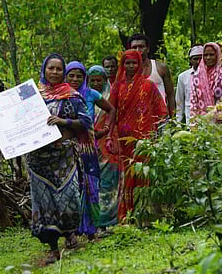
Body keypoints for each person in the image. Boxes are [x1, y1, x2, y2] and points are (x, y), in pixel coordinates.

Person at [27, 53, 91, 264]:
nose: (54, 72)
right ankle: (53, 248)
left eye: (58, 69)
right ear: (44, 70)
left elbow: (85, 122)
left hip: (64, 157)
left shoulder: (71, 96)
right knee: (44, 206)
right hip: (38, 160)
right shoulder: (32, 97)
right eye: (50, 69)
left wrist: (63, 121)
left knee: (69, 199)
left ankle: (70, 234)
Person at [108, 50, 168, 221]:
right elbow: (111, 111)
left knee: (143, 174)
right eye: (128, 63)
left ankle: (146, 214)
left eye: (134, 63)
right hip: (124, 138)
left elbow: (160, 110)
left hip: (144, 137)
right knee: (127, 174)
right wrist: (110, 134)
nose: (131, 66)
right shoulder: (117, 87)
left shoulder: (149, 86)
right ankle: (127, 214)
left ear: (140, 64)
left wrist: (156, 132)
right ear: (123, 65)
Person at [65, 61, 114, 240]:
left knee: (92, 186)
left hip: (88, 147)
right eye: (71, 75)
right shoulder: (60, 95)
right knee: (73, 187)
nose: (75, 79)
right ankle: (74, 229)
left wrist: (105, 130)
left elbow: (111, 109)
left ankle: (93, 228)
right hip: (67, 148)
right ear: (66, 76)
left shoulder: (90, 94)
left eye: (79, 76)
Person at [87, 65, 119, 233]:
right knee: (93, 185)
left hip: (108, 145)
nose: (96, 83)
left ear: (105, 80)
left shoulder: (112, 96)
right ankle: (96, 222)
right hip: (89, 147)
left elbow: (114, 116)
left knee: (109, 184)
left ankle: (110, 220)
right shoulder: (84, 97)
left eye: (99, 80)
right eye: (92, 80)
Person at [126, 34, 175, 118]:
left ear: (148, 49)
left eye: (141, 47)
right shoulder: (126, 72)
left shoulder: (160, 68)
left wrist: (173, 119)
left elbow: (170, 95)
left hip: (160, 119)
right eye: (134, 47)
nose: (138, 50)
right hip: (136, 120)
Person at [190, 42, 222, 118]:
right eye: (206, 55)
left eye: (211, 54)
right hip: (203, 124)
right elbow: (194, 102)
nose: (208, 58)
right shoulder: (197, 78)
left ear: (217, 55)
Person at [175, 44, 203, 124]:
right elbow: (179, 101)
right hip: (191, 121)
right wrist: (178, 122)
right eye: (195, 59)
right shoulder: (183, 77)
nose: (198, 61)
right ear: (190, 60)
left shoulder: (211, 76)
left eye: (201, 58)